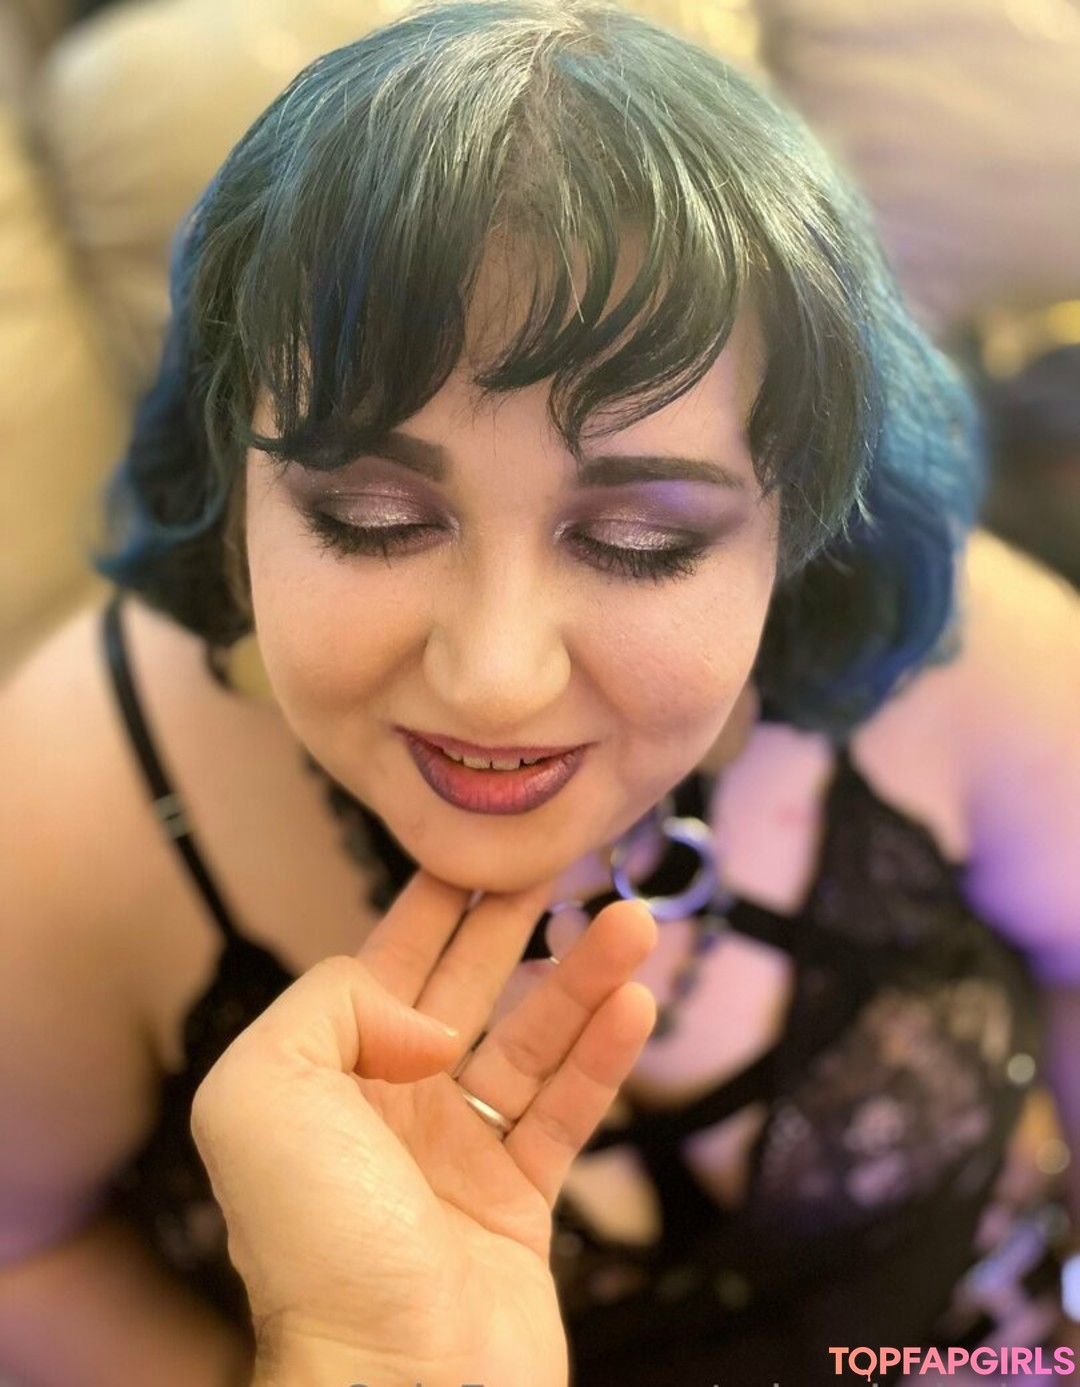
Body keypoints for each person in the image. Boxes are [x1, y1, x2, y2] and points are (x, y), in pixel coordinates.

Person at [0, 2, 1077, 1385]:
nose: (496, 680)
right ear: (235, 483)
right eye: (374, 520)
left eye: (638, 540)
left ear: (802, 518)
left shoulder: (971, 654)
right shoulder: (72, 806)